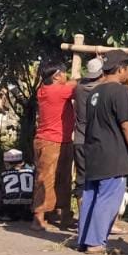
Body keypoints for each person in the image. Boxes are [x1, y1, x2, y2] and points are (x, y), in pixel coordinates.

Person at [77, 51, 128, 253]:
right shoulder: (120, 92)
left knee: (91, 195)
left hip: (93, 152)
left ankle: (85, 239)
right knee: (108, 198)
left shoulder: (93, 93)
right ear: (121, 69)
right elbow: (127, 125)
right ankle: (96, 242)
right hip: (113, 155)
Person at [32, 62, 76, 231]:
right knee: (46, 179)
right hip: (51, 141)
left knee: (63, 179)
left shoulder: (43, 89)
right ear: (57, 76)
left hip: (61, 140)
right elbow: (77, 86)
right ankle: (38, 217)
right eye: (65, 73)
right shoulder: (58, 91)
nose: (67, 76)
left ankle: (64, 215)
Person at [72, 57, 104, 196]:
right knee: (100, 179)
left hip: (79, 139)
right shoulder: (103, 90)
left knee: (81, 179)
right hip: (97, 141)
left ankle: (83, 216)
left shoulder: (78, 88)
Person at [0, 149, 34, 221]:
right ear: (22, 162)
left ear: (6, 163)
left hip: (7, 213)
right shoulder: (33, 172)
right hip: (30, 212)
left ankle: (4, 212)